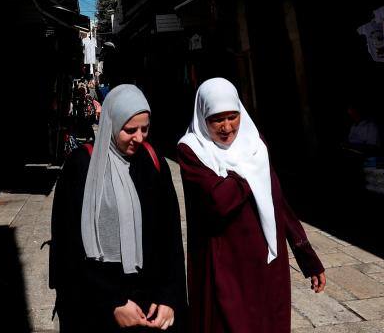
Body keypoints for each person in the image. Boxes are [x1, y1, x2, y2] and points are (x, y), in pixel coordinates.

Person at [178, 78, 325, 333]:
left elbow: (277, 200)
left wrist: (307, 257)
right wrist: (249, 172)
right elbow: (219, 201)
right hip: (225, 263)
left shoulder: (255, 144)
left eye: (232, 117)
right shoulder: (192, 151)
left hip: (267, 263)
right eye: (216, 119)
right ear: (203, 117)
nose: (227, 127)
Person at [50, 85, 186, 330]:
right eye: (130, 130)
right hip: (97, 308)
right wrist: (113, 302)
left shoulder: (152, 163)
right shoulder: (82, 167)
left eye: (145, 129)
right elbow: (68, 247)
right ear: (111, 125)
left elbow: (171, 238)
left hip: (149, 307)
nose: (139, 138)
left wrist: (169, 297)